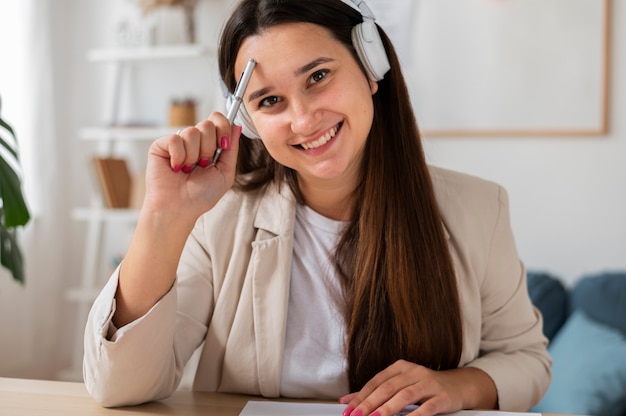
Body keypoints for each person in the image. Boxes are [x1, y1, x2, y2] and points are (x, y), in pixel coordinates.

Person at [83, 0, 551, 414]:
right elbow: (118, 387)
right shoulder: (218, 219)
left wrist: (459, 386)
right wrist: (163, 218)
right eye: (269, 100)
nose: (303, 119)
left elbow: (527, 361)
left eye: (319, 77)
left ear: (371, 68)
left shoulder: (479, 208)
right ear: (247, 121)